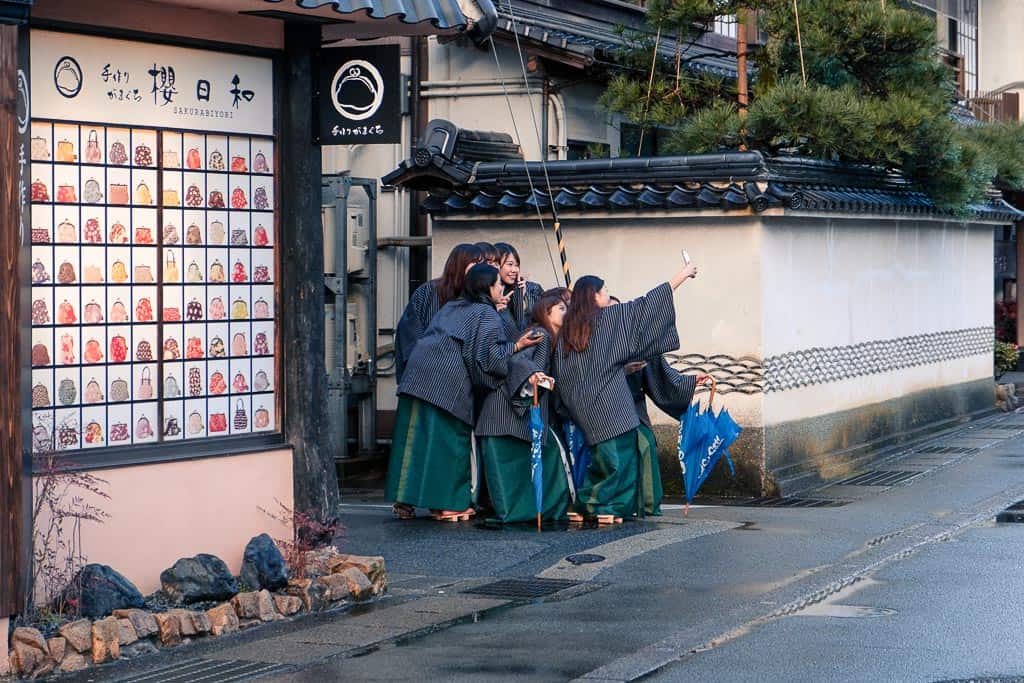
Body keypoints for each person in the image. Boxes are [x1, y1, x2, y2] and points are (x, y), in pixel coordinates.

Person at [387, 264, 543, 522]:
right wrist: (517, 345)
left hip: (416, 376)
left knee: (413, 443)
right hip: (446, 381)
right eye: (498, 284)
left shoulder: (451, 307)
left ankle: (406, 501)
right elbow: (486, 358)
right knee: (449, 444)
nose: (501, 288)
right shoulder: (486, 313)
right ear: (488, 288)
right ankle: (447, 506)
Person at [553, 260, 697, 523]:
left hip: (583, 406)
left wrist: (625, 370)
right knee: (619, 460)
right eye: (604, 290)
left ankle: (600, 506)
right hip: (611, 404)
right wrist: (683, 275)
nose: (608, 294)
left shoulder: (569, 330)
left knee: (604, 459)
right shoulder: (606, 320)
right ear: (594, 296)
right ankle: (597, 505)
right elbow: (646, 305)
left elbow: (585, 369)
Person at [476, 293, 572, 524]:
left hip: (512, 413)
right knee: (528, 465)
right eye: (560, 307)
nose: (566, 311)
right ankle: (529, 511)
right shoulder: (541, 334)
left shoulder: (552, 338)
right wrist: (533, 374)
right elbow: (519, 360)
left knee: (534, 463)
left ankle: (533, 511)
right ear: (545, 313)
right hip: (505, 412)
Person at [394, 243, 483, 382]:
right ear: (460, 264)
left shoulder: (477, 297)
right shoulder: (428, 291)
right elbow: (409, 336)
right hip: (423, 376)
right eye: (476, 263)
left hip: (460, 382)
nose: (479, 270)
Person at [494, 242, 545, 333]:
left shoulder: (533, 289)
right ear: (496, 265)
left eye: (517, 265)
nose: (514, 270)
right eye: (510, 264)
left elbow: (529, 326)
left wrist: (522, 298)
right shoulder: (490, 292)